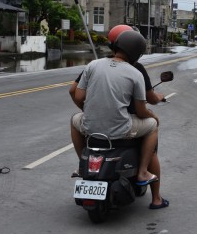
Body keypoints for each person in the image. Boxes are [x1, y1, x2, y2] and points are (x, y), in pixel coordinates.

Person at [69, 25, 169, 209]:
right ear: (136, 53)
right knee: (152, 126)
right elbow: (141, 110)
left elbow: (77, 95)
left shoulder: (93, 65)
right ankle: (144, 176)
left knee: (74, 120)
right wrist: (152, 116)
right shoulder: (136, 72)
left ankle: (82, 164)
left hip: (90, 127)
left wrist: (89, 112)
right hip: (121, 129)